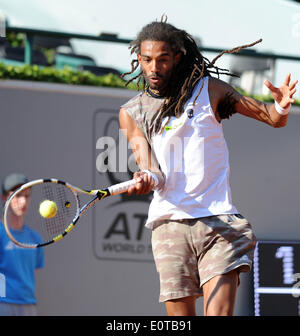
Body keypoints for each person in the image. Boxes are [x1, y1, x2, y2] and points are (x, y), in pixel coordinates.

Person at [119, 19, 298, 316]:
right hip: (170, 228)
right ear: (138, 58)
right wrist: (146, 178)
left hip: (219, 225)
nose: (154, 68)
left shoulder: (209, 90)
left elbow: (272, 117)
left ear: (177, 57)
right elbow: (151, 168)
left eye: (163, 60)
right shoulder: (131, 113)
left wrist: (281, 106)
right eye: (147, 60)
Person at [0, 173, 44, 316]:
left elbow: (32, 274)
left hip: (29, 305)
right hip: (3, 304)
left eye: (27, 196)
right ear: (4, 198)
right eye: (18, 195)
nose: (23, 202)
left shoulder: (35, 238)